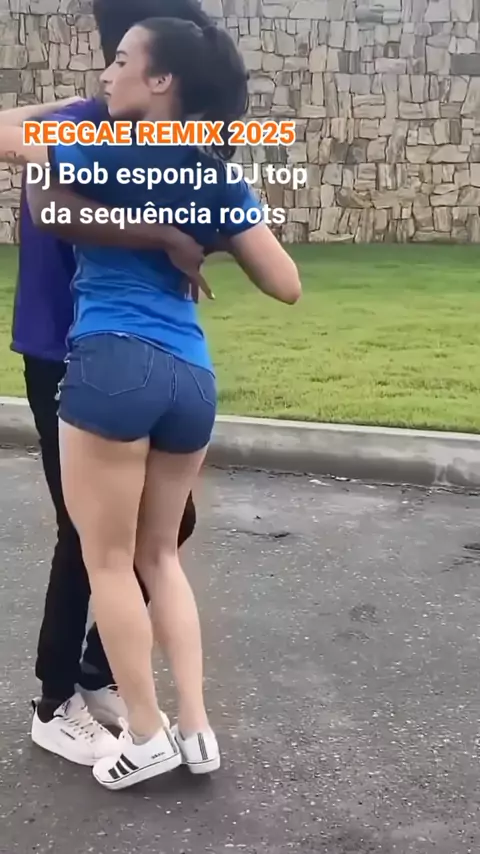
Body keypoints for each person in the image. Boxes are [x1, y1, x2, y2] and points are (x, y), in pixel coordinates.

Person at [2, 16, 301, 789]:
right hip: (191, 378)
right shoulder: (215, 174)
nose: (108, 74)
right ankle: (195, 730)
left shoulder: (98, 146)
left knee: (105, 559)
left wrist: (64, 120)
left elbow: (27, 170)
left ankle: (144, 734)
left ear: (160, 79)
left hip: (110, 365)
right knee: (161, 556)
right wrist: (205, 232)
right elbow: (286, 284)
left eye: (121, 60)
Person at [11, 0, 213, 767]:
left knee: (165, 527)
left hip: (134, 353)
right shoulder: (75, 126)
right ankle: (55, 700)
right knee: (86, 533)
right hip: (63, 348)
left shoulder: (165, 140)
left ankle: (101, 665)